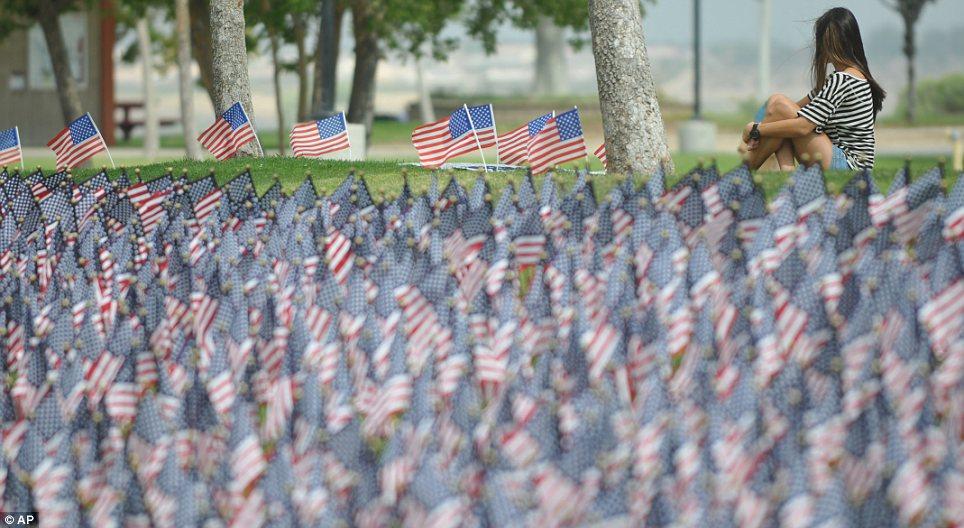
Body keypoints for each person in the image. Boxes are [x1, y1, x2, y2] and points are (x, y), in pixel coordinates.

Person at [740, 7, 886, 171]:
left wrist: (756, 129)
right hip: (840, 159)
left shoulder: (844, 80)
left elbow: (803, 126)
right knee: (780, 109)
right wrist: (760, 126)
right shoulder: (844, 78)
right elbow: (782, 112)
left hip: (848, 165)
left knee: (781, 107)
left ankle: (740, 175)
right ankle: (786, 174)